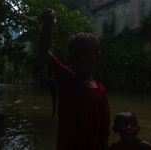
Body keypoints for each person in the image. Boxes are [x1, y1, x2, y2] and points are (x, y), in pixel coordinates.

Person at [38, 9, 110, 150]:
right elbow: (43, 51)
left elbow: (104, 131)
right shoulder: (65, 79)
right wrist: (48, 24)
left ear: (97, 57)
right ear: (70, 58)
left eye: (87, 54)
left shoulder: (102, 93)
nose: (82, 59)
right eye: (77, 55)